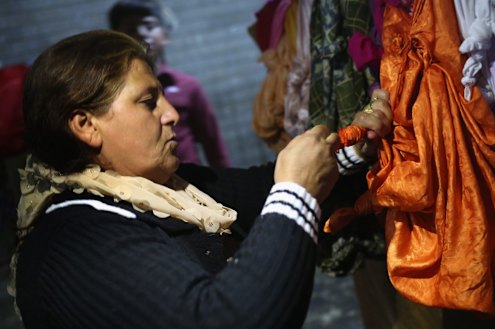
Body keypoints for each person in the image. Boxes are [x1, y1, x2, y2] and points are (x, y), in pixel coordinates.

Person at [9, 30, 392, 329]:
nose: (172, 113)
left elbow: (259, 193)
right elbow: (228, 321)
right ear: (86, 126)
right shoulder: (76, 241)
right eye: (148, 102)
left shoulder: (172, 190)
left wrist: (352, 154)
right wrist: (295, 193)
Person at [109, 0, 230, 167]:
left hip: (193, 184)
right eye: (131, 29)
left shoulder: (188, 87)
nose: (141, 33)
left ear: (165, 34)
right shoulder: (112, 92)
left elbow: (214, 145)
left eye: (149, 26)